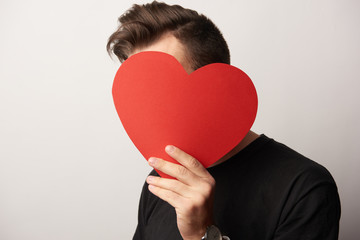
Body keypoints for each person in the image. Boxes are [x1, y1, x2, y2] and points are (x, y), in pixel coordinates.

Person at [106, 2, 341, 240]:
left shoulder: (304, 187)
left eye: (164, 84)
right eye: (140, 87)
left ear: (213, 86)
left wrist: (202, 234)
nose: (149, 106)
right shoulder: (160, 181)